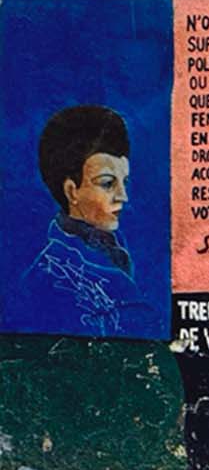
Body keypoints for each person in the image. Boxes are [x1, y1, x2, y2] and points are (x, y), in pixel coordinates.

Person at [4, 105, 158, 337]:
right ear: (71, 191)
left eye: (124, 182)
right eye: (107, 183)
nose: (123, 196)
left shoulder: (115, 252)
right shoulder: (46, 280)